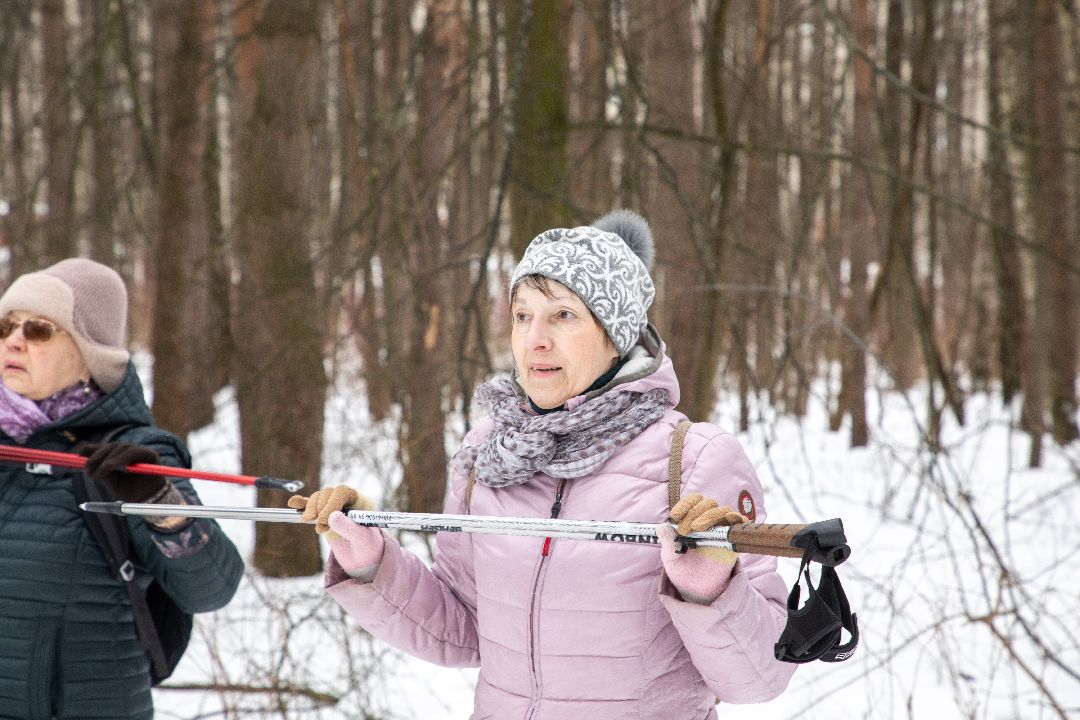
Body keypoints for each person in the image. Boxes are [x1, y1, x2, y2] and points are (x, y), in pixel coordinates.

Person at [292, 211, 796, 718]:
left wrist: (711, 589)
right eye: (522, 315)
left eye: (563, 315)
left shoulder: (693, 461)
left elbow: (762, 677)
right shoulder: (489, 452)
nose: (535, 339)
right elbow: (464, 629)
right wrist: (370, 561)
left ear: (616, 335)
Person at [0, 258, 244, 719]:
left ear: (88, 354)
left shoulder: (132, 456)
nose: (14, 340)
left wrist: (160, 505)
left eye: (37, 329)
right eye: (6, 325)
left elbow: (212, 589)